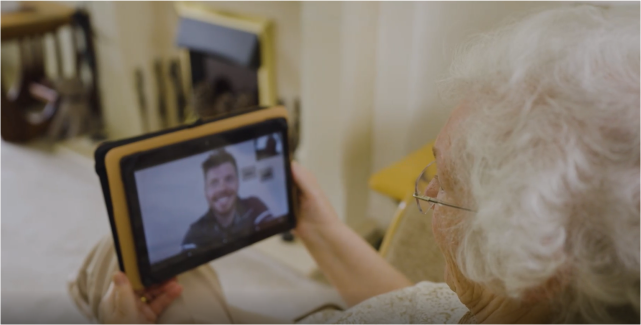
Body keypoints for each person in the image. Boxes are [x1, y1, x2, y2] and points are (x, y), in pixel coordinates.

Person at [70, 6, 641, 325]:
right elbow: (419, 310)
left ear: (534, 266)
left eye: (441, 189)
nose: (426, 194)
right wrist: (323, 230)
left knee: (121, 260)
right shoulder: (502, 306)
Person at [182, 150, 274, 251]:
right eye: (214, 183)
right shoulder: (194, 235)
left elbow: (275, 243)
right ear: (206, 191)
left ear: (238, 182)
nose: (222, 188)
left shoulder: (255, 207)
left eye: (229, 179)